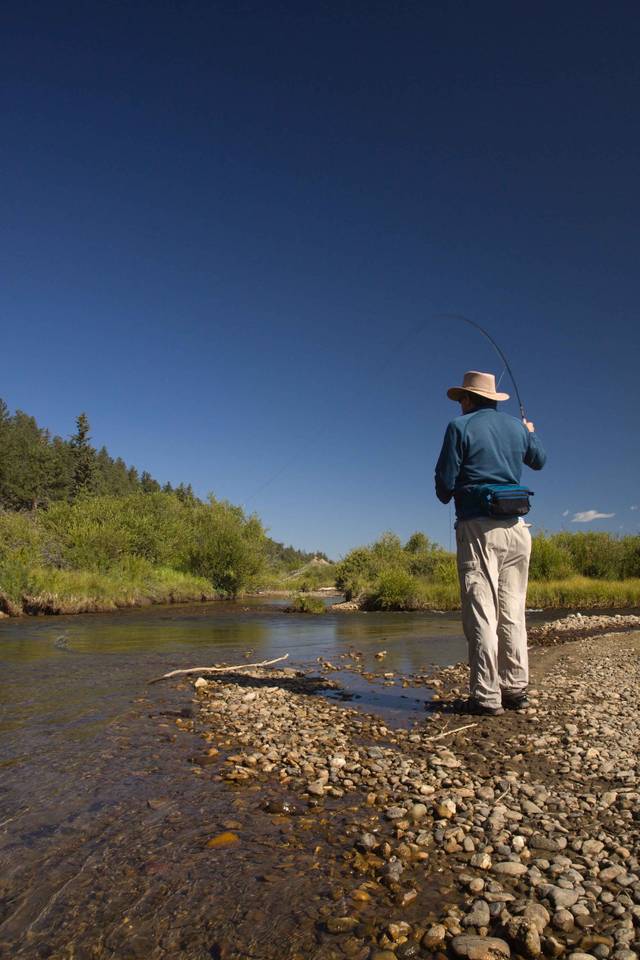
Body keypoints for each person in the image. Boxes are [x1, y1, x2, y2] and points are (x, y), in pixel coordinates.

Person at [434, 370, 547, 716]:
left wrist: (452, 489)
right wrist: (530, 433)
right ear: (493, 399)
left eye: (461, 399)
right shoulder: (517, 428)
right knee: (513, 611)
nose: (460, 405)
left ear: (468, 399)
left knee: (482, 612)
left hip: (478, 530)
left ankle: (485, 696)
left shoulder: (459, 427)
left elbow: (443, 486)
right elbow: (539, 461)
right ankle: (515, 690)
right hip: (517, 528)